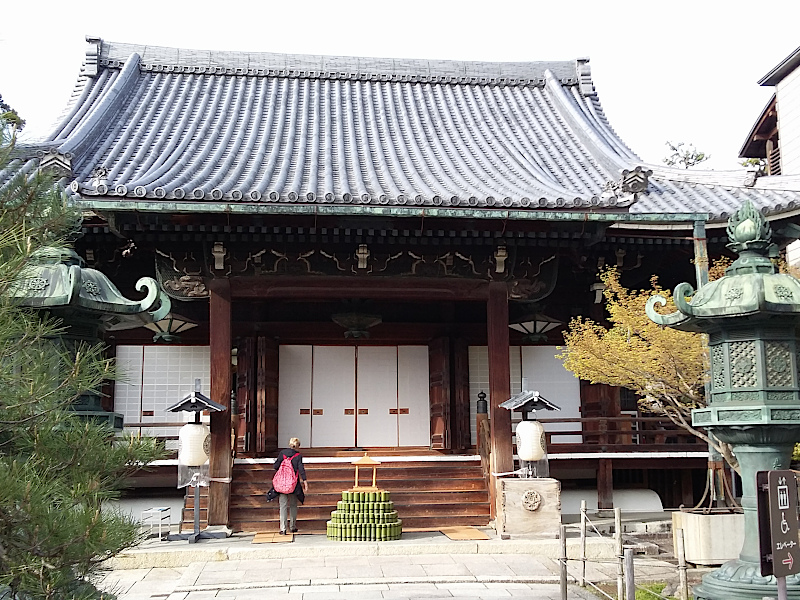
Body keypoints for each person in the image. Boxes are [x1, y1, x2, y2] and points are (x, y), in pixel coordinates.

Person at [272, 437, 308, 534]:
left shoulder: (282, 453)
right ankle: (292, 526)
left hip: (282, 484)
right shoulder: (298, 456)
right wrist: (305, 482)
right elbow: (301, 469)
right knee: (293, 505)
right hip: (293, 484)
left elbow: (275, 466)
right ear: (298, 446)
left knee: (283, 506)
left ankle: (283, 529)